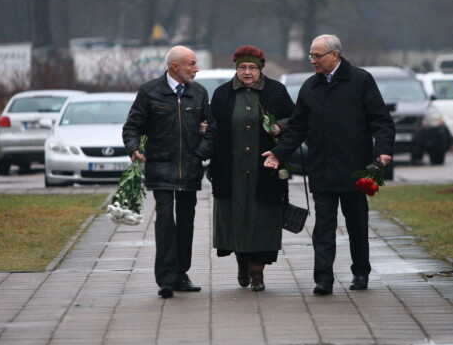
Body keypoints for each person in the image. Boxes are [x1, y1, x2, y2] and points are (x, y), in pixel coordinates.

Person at [262, 34, 395, 295]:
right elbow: (297, 127)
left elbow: (381, 120)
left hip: (355, 169)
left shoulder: (360, 80)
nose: (312, 60)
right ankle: (324, 279)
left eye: (317, 55)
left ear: (334, 55)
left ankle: (360, 273)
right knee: (323, 228)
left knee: (357, 224)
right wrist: (279, 153)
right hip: (321, 169)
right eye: (311, 55)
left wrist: (383, 151)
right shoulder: (310, 87)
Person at [123, 45, 217, 299]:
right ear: (175, 67)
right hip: (160, 168)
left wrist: (199, 153)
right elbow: (132, 126)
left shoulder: (198, 93)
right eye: (192, 64)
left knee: (186, 223)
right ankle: (165, 279)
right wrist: (133, 148)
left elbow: (211, 130)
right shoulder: (150, 91)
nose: (196, 69)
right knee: (165, 220)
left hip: (190, 169)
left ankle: (180, 274)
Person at [208, 45, 295, 291]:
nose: (247, 72)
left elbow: (295, 118)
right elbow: (213, 126)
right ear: (236, 69)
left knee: (261, 222)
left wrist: (280, 126)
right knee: (235, 221)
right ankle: (242, 263)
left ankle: (258, 274)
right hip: (230, 171)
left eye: (252, 68)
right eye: (242, 67)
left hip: (265, 171)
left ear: (261, 69)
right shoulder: (223, 94)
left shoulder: (276, 91)